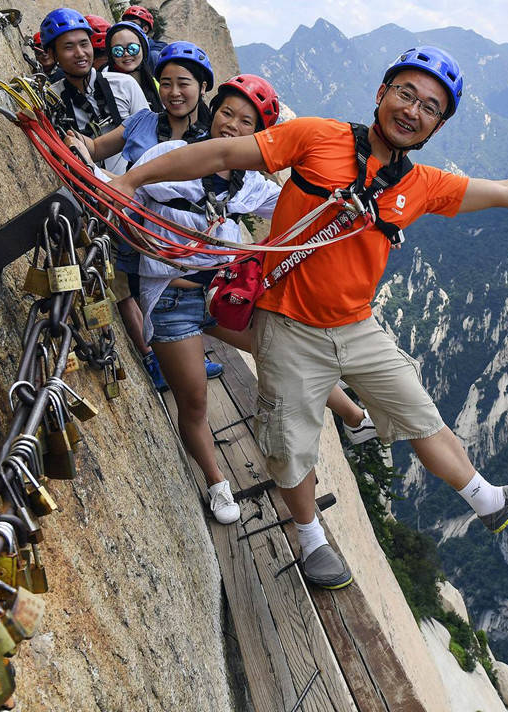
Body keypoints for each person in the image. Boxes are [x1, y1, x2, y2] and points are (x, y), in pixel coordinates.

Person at [110, 46, 508, 590]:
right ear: (381, 94)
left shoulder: (422, 186)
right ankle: (310, 538)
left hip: (358, 327)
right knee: (290, 445)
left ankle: (487, 500)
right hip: (289, 325)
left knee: (419, 413)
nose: (414, 110)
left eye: (430, 107)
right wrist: (129, 182)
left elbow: (505, 192)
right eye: (406, 93)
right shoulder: (318, 138)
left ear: (438, 125)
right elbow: (219, 156)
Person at [74, 74, 376, 523]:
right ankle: (217, 483)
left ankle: (355, 416)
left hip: (219, 296)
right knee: (194, 400)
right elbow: (121, 187)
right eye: (227, 113)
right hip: (172, 300)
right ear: (213, 114)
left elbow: (304, 208)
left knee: (284, 352)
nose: (231, 125)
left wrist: (351, 197)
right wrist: (79, 156)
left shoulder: (250, 184)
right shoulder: (170, 157)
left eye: (245, 121)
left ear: (258, 135)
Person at [70, 41, 223, 388]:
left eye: (183, 83)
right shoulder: (142, 122)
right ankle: (168, 359)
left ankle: (183, 358)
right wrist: (77, 143)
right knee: (139, 298)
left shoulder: (213, 142)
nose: (173, 92)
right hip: (129, 237)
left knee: (177, 309)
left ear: (202, 87)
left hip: (177, 248)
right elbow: (97, 147)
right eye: (165, 83)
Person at [40, 8, 149, 176]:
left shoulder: (125, 85)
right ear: (53, 55)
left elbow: (148, 140)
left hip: (133, 188)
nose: (80, 53)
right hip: (88, 193)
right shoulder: (51, 99)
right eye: (69, 47)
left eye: (84, 44)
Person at [104, 21, 161, 113]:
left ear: (143, 49)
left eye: (133, 48)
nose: (126, 54)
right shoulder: (103, 86)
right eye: (118, 50)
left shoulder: (156, 85)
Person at [121, 5, 166, 69]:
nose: (127, 28)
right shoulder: (121, 47)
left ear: (145, 29)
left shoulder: (156, 50)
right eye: (125, 24)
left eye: (132, 24)